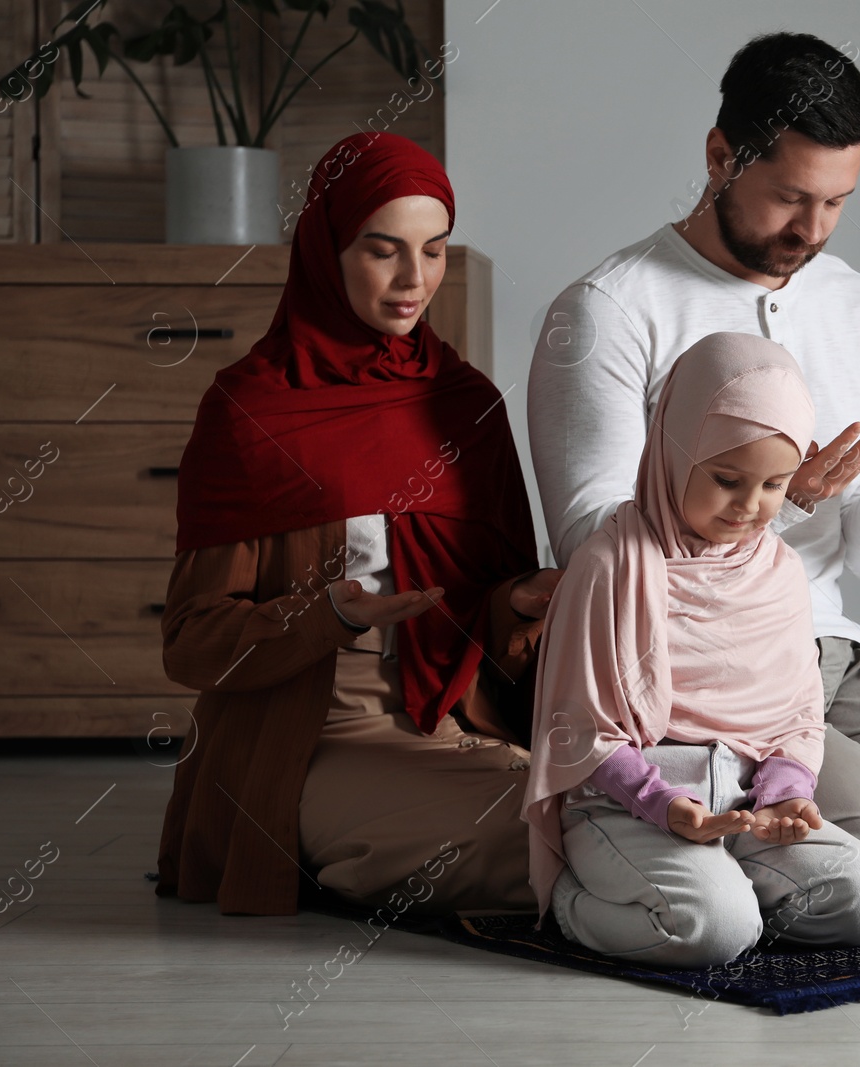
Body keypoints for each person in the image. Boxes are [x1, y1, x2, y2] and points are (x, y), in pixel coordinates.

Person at [528, 32, 860, 897]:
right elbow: (592, 545)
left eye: (838, 202)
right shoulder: (608, 310)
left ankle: (785, 855)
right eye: (788, 197)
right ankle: (699, 842)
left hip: (822, 642)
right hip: (683, 662)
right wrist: (777, 504)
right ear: (719, 157)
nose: (811, 230)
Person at [155, 132, 560, 917]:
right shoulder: (250, 410)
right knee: (532, 841)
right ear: (326, 249)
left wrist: (524, 599)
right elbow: (192, 638)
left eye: (435, 251)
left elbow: (486, 610)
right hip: (312, 735)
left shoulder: (466, 404)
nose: (415, 280)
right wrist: (330, 614)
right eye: (384, 251)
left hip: (455, 719)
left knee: (604, 814)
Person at [524, 332, 860, 968]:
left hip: (745, 803)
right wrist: (663, 805)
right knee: (712, 931)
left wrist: (784, 794)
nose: (750, 507)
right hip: (630, 804)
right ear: (674, 451)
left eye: (775, 485)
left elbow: (795, 716)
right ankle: (575, 898)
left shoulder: (779, 569)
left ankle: (729, 887)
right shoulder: (609, 563)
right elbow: (577, 730)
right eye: (727, 480)